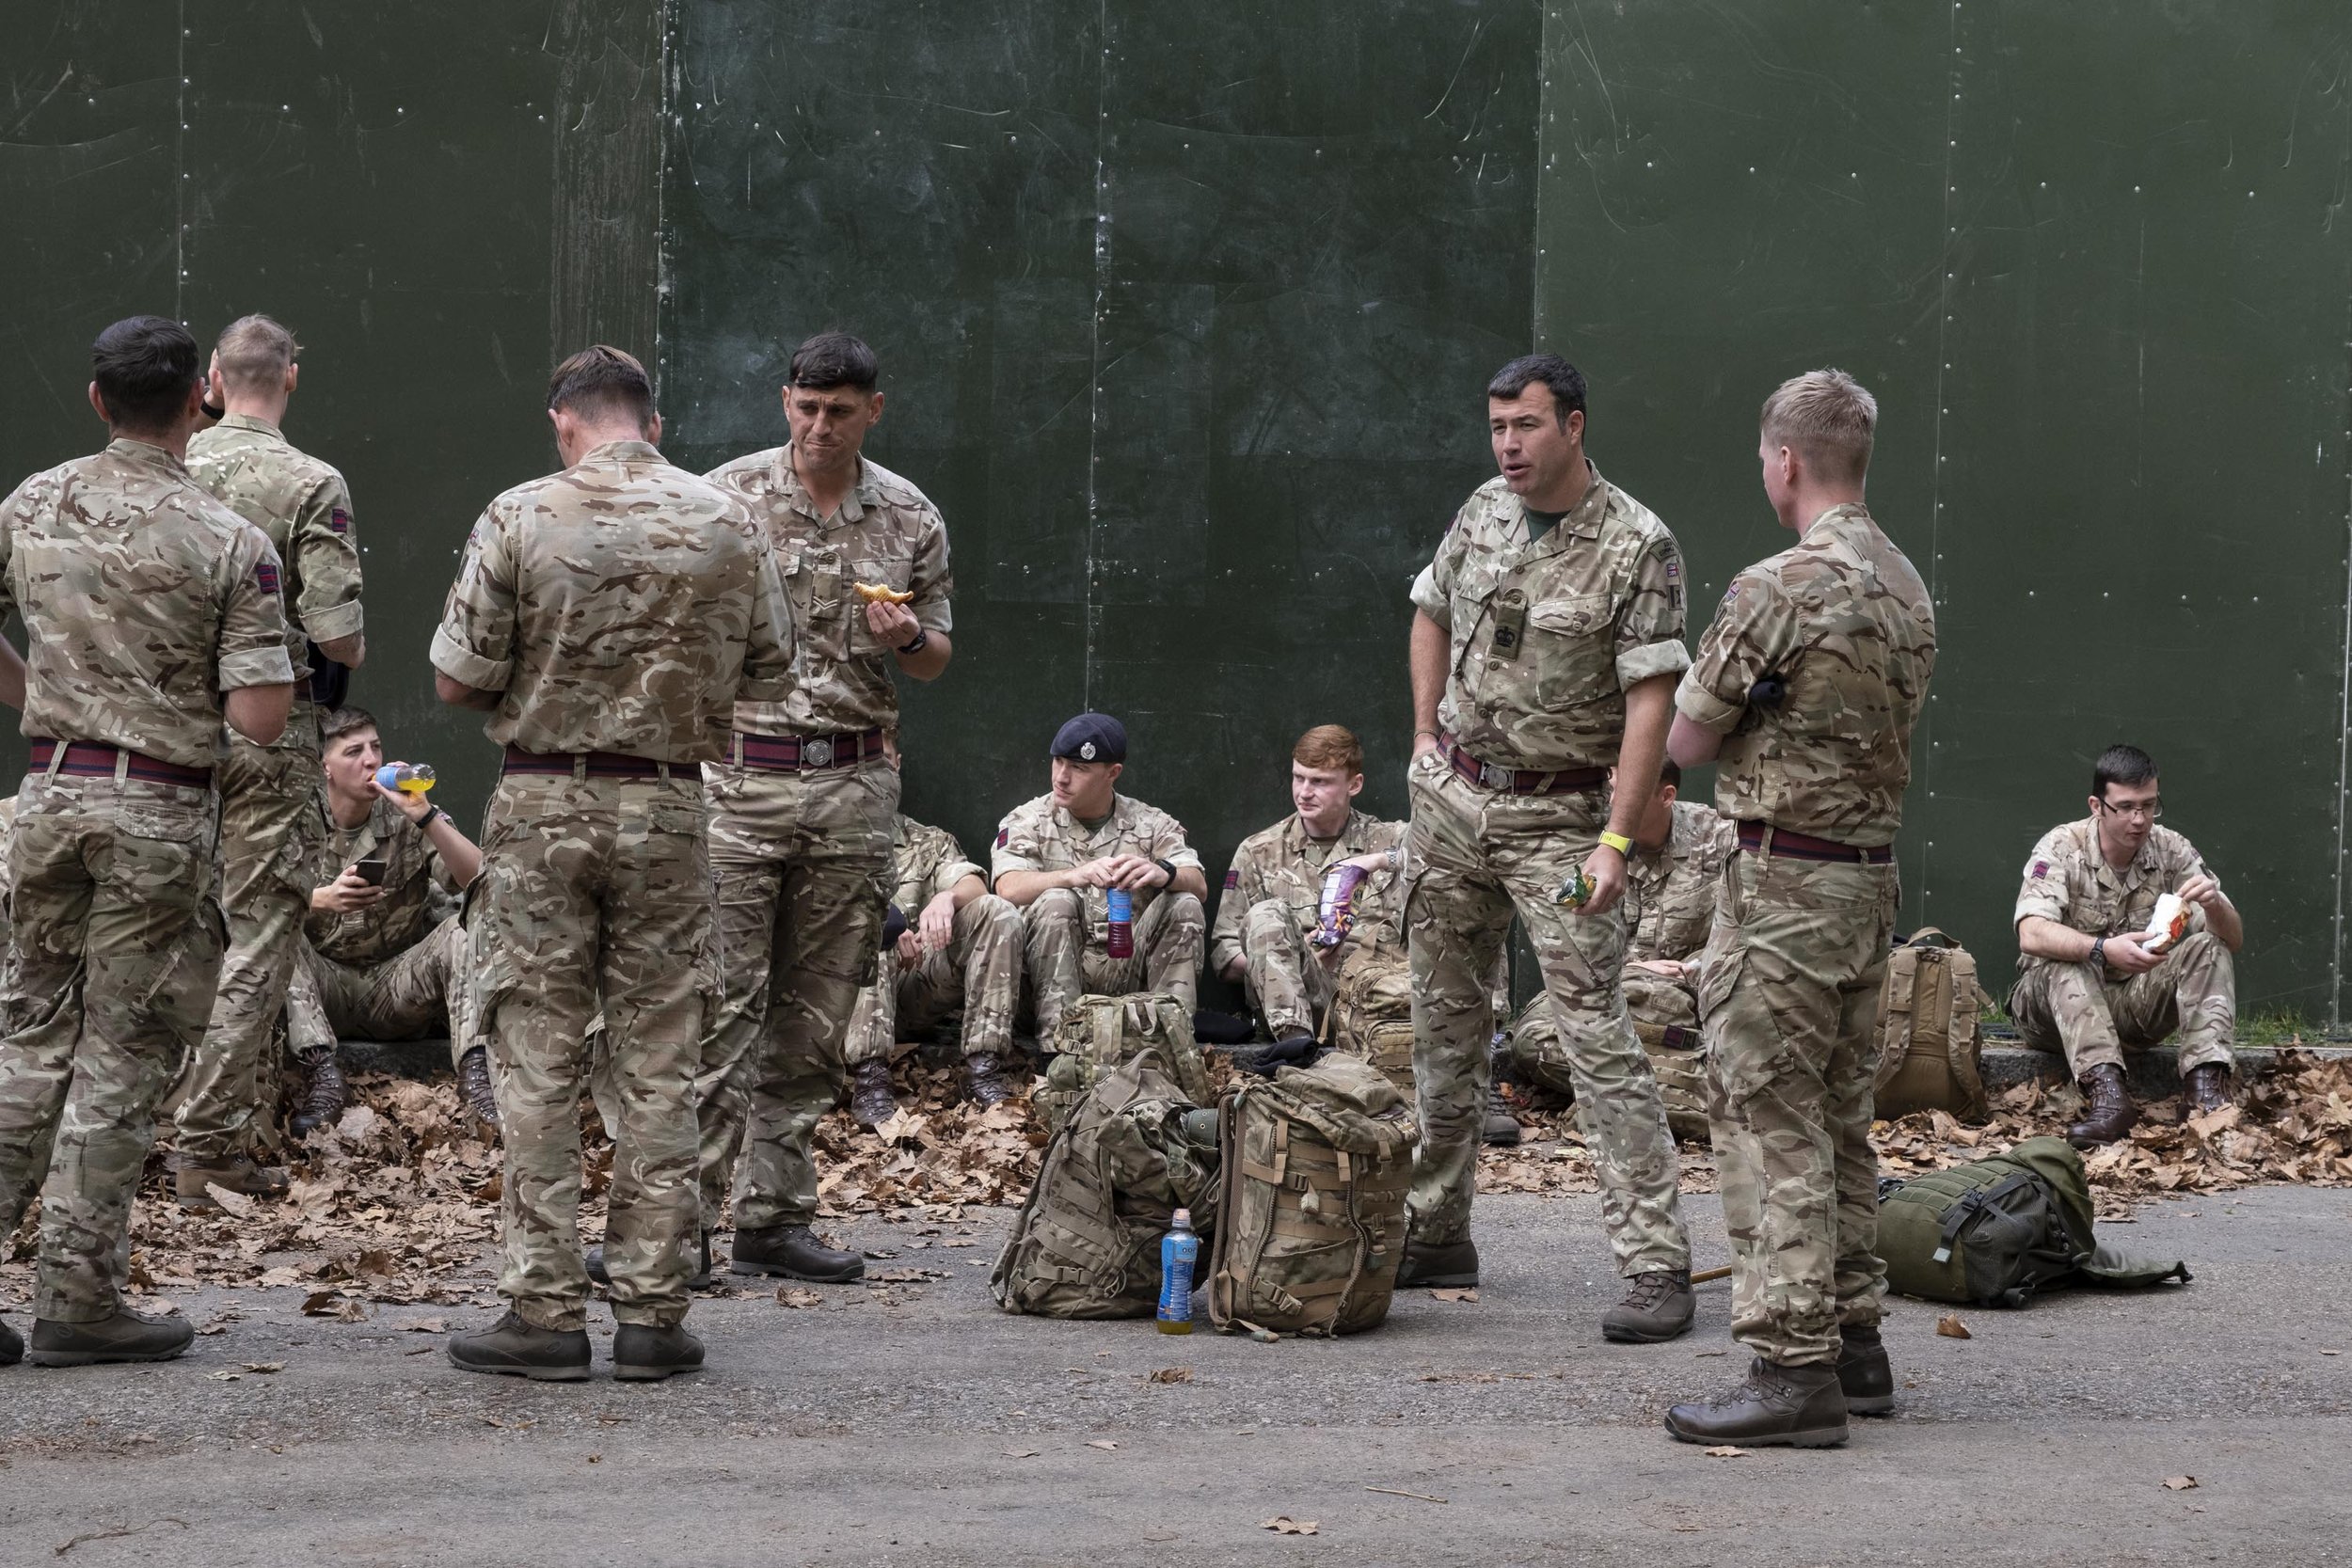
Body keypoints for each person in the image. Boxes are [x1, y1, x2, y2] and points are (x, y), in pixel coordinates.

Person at [430, 344, 793, 1382]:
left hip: (544, 799)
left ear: (564, 421)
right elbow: (772, 668)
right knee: (661, 1055)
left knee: (535, 1057)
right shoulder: (729, 517)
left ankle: (543, 1311)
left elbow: (457, 679)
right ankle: (650, 1310)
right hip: (674, 802)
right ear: (654, 423)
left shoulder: (520, 513)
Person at [0, 315, 294, 1368]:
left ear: (96, 399)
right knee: (121, 1054)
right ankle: (78, 1300)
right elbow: (261, 715)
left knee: (27, 1034)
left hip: (47, 795)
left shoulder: (30, 501)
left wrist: (52, 700)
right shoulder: (228, 539)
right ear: (199, 399)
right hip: (159, 816)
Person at [1661, 369, 1936, 1448]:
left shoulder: (1774, 585)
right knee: (1835, 1118)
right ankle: (1854, 1343)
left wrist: (1743, 715)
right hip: (1867, 879)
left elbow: (1685, 739)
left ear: (1784, 461)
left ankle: (1789, 1366)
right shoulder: (1908, 584)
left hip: (1780, 886)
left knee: (1762, 1116)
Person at [1399, 353, 1696, 1343]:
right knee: (1441, 1025)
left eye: (1525, 425)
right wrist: (1419, 739)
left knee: (1593, 1032)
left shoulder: (1635, 542)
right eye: (1496, 427)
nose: (1507, 446)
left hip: (1563, 824)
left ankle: (1655, 1260)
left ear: (1573, 425)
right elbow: (1429, 608)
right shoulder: (1481, 509)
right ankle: (1436, 1227)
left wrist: (1617, 833)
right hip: (1454, 807)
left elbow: (1653, 695)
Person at [687, 331, 955, 1289]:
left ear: (872, 410)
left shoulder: (910, 516)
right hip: (740, 784)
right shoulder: (725, 495)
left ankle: (774, 1215)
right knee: (719, 1003)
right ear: (784, 401)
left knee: (814, 1013)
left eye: (839, 409)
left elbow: (935, 658)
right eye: (805, 406)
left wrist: (909, 633)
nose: (819, 425)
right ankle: (681, 1226)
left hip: (849, 783)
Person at [173, 314, 367, 1207]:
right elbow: (338, 634)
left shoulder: (170, 465)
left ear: (213, 375)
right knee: (259, 933)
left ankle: (154, 1124)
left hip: (160, 726)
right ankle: (211, 1135)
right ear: (293, 377)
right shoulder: (308, 483)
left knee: (171, 926)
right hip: (270, 730)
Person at [2010, 744, 2243, 1146]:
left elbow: (2232, 939)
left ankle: (2206, 1096)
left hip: (2130, 1005)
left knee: (2208, 946)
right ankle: (2109, 1100)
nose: (2139, 820)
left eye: (2150, 806)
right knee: (2071, 958)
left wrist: (2214, 903)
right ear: (2097, 806)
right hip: (2052, 1011)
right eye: (2126, 807)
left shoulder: (2170, 848)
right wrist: (2101, 948)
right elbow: (2030, 932)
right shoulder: (2062, 847)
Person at [280, 706, 490, 1138]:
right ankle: (323, 1077)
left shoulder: (406, 816)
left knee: (459, 930)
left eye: (375, 747)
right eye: (354, 751)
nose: (371, 761)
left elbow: (478, 881)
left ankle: (478, 1079)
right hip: (325, 992)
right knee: (278, 935)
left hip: (396, 988)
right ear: (326, 768)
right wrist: (321, 899)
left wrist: (426, 816)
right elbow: (249, 901)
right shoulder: (295, 822)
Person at [1506, 761, 1734, 1121]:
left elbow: (1745, 927)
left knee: (1742, 1050)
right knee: (1531, 1041)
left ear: (1666, 796)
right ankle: (1680, 1096)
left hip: (1692, 1001)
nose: (1613, 801)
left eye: (1627, 790)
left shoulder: (1720, 839)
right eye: (1610, 787)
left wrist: (1693, 969)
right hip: (1607, 991)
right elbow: (1567, 938)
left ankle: (1622, 1100)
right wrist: (1633, 969)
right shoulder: (1585, 841)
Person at [993, 714, 1207, 1037]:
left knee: (1185, 903)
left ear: (1112, 773)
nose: (1062, 778)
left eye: (1078, 768)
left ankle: (1170, 1041)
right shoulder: (1028, 820)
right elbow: (1007, 887)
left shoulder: (1149, 822)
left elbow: (1198, 883)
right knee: (1056, 900)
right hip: (1041, 985)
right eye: (1059, 762)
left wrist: (1162, 872)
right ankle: (1059, 1052)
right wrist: (1071, 876)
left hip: (1125, 973)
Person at [1210, 724, 1405, 1054]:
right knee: (1266, 915)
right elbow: (1224, 955)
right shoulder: (1258, 851)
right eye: (1299, 778)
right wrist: (1286, 955)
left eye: (1320, 782)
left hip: (1375, 999)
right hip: (1301, 998)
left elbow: (1442, 851)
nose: (1304, 792)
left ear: (1354, 785)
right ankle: (1296, 1052)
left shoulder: (1389, 839)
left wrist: (1377, 861)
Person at [841, 812, 1024, 1126]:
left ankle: (982, 1069)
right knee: (872, 925)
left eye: (883, 761)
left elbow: (974, 885)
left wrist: (947, 897)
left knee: (996, 912)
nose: (875, 772)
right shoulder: (822, 839)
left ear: (896, 767)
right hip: (841, 999)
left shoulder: (927, 840)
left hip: (912, 987)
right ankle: (871, 1082)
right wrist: (887, 927)